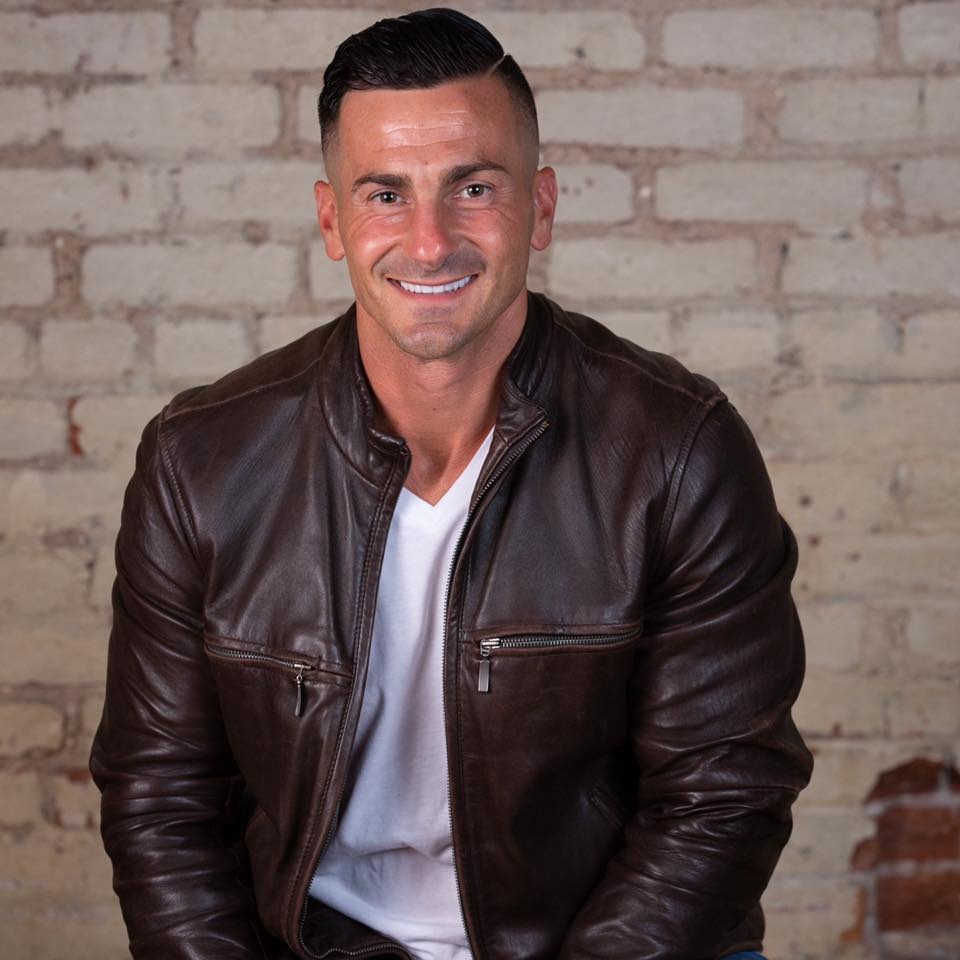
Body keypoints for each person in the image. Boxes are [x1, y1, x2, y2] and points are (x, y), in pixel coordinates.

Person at [90, 8, 812, 960]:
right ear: (332, 221)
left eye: (473, 188)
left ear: (541, 208)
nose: (430, 242)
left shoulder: (679, 450)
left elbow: (723, 793)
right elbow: (161, 799)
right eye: (385, 194)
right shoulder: (202, 462)